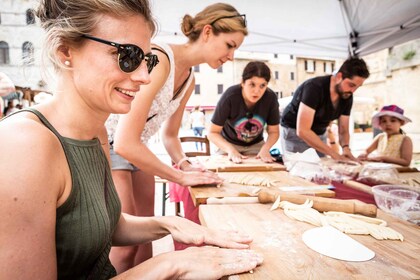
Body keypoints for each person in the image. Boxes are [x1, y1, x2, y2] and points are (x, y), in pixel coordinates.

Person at [0, 0, 263, 279]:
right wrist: (168, 264)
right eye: (127, 55)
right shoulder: (23, 144)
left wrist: (170, 223)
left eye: (147, 60)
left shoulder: (97, 131)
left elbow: (106, 226)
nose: (144, 77)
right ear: (65, 51)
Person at [108, 3, 248, 272]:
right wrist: (180, 177)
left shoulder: (189, 79)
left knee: (147, 238)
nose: (231, 56)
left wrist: (185, 164)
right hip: (111, 145)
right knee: (124, 247)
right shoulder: (161, 59)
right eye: (230, 45)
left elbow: (170, 135)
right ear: (207, 32)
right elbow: (124, 141)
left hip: (137, 149)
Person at [280, 57, 370, 160]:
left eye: (357, 87)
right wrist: (333, 154)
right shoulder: (314, 88)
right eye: (351, 85)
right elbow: (303, 130)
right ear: (339, 77)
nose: (353, 91)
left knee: (320, 168)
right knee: (299, 169)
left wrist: (345, 149)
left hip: (319, 133)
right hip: (294, 133)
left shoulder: (347, 95)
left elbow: (344, 129)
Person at [207, 61, 280, 163]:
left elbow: (274, 131)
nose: (256, 91)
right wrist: (230, 150)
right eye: (252, 84)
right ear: (242, 82)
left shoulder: (271, 98)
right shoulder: (230, 96)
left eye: (262, 86)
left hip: (256, 145)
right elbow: (212, 133)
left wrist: (265, 149)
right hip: (228, 144)